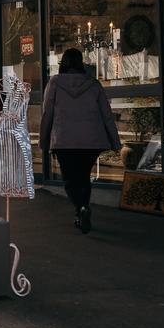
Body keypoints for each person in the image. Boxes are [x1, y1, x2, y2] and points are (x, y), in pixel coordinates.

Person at [40, 48, 122, 233]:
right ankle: (83, 207)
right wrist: (115, 141)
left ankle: (80, 208)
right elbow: (106, 115)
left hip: (64, 140)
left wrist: (44, 141)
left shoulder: (54, 83)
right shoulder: (93, 84)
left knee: (69, 179)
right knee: (84, 176)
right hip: (91, 141)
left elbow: (47, 114)